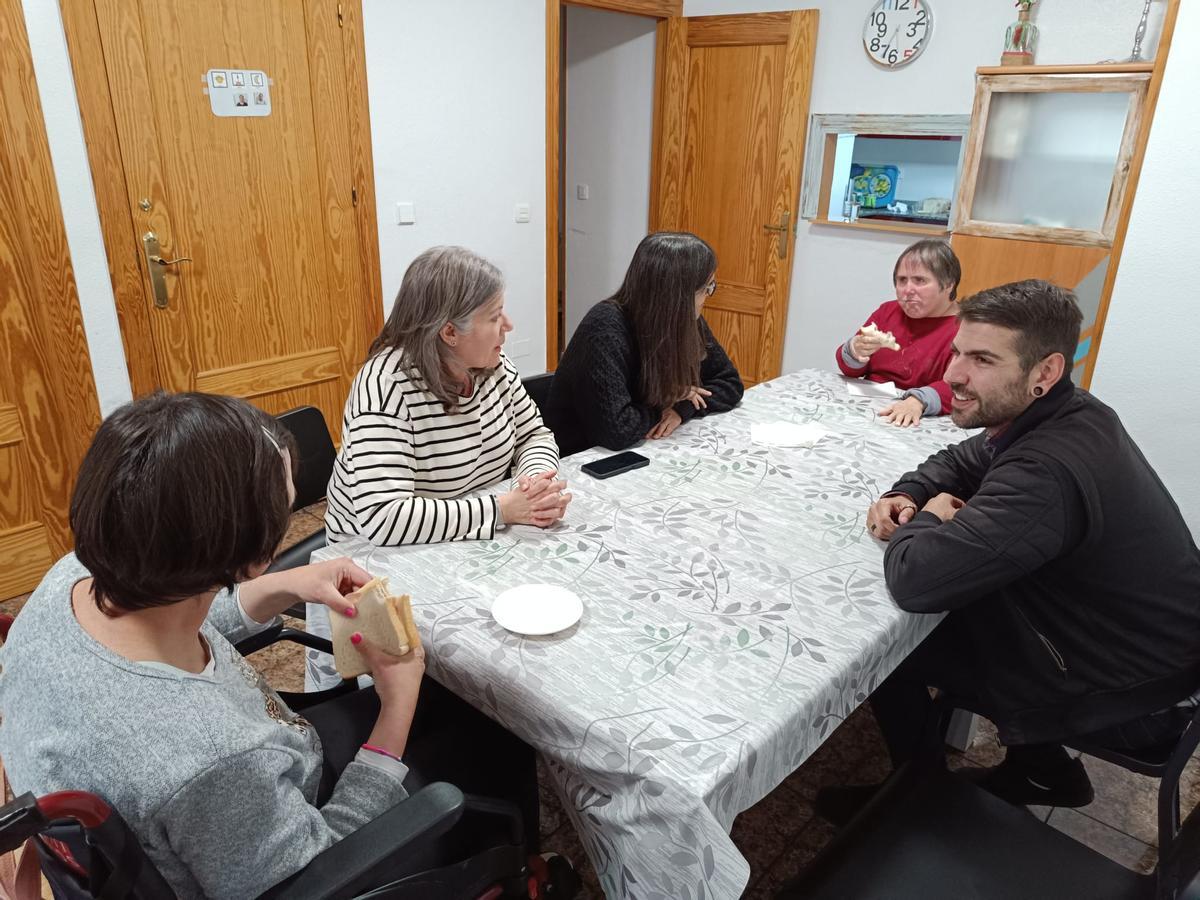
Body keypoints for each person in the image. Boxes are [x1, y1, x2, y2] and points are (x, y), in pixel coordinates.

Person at [0, 393, 542, 898]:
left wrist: (283, 584)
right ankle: (512, 860)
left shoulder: (72, 579)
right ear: (251, 552)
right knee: (498, 734)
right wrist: (396, 707)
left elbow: (179, 613)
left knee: (446, 702)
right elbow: (321, 866)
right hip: (287, 837)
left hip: (238, 791)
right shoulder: (210, 759)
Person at [820, 280, 1200, 823]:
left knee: (886, 651)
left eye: (981, 359)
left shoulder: (1045, 469)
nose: (953, 374)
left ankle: (916, 805)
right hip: (1140, 647)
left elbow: (916, 581)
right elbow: (961, 457)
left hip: (1137, 695)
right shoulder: (1070, 411)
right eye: (957, 351)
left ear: (1044, 372)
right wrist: (907, 493)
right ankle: (1045, 769)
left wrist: (925, 521)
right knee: (974, 595)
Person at [325, 245, 569, 546]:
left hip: (465, 536)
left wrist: (535, 486)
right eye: (494, 318)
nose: (508, 325)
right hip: (372, 556)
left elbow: (533, 435)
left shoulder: (493, 366)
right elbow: (385, 517)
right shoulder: (385, 391)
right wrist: (502, 509)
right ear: (449, 333)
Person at [544, 231, 744, 455]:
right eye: (706, 289)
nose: (708, 296)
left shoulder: (684, 319)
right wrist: (664, 403)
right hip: (580, 458)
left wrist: (681, 409)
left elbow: (729, 383)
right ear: (678, 295)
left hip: (638, 449)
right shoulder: (605, 328)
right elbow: (617, 430)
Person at [836, 239, 962, 427]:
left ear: (948, 284)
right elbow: (849, 371)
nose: (907, 290)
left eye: (920, 281)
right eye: (902, 280)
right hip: (870, 406)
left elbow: (962, 388)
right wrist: (854, 351)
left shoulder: (965, 328)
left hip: (919, 418)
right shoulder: (887, 311)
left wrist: (919, 400)